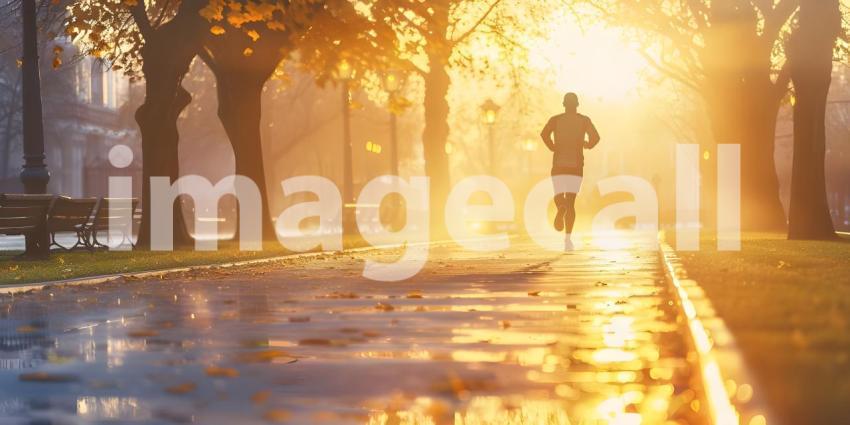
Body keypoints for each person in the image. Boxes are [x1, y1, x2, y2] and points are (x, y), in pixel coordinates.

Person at [540, 92, 600, 250]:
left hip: (559, 164)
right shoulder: (584, 121)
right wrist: (587, 144)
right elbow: (596, 138)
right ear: (577, 105)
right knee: (571, 202)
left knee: (559, 195)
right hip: (576, 165)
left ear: (564, 104)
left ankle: (561, 207)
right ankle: (567, 239)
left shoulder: (555, 120)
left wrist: (552, 146)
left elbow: (544, 134)